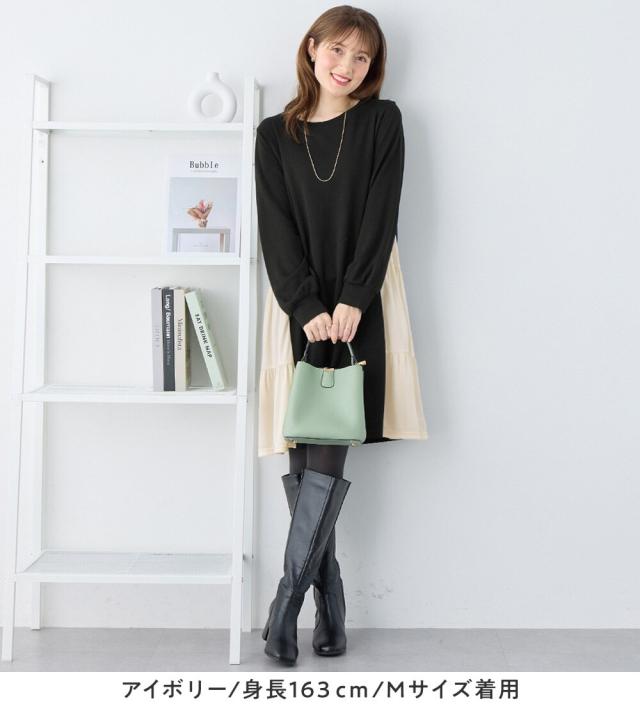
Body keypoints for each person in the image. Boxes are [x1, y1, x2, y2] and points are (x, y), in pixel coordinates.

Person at [254, 6, 429, 666]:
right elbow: (275, 226)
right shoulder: (274, 135)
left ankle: (286, 608)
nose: (347, 66)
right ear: (312, 49)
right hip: (295, 303)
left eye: (361, 57)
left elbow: (382, 216)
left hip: (363, 300)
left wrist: (354, 298)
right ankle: (327, 602)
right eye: (338, 50)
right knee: (306, 455)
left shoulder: (383, 122)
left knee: (323, 451)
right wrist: (304, 304)